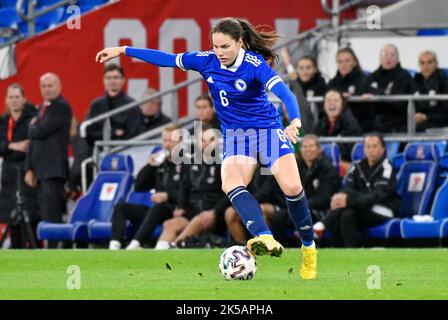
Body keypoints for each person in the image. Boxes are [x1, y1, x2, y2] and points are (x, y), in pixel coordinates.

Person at [96, 17, 318, 279]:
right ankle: (265, 237)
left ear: (239, 42)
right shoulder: (206, 60)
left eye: (225, 47)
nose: (219, 53)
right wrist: (123, 51)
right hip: (237, 136)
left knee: (292, 188)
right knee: (231, 183)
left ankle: (308, 248)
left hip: (268, 131)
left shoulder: (254, 65)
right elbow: (167, 58)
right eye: (215, 46)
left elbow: (286, 95)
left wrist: (294, 121)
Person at [109, 124, 183, 250]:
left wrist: (167, 196)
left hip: (176, 209)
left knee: (158, 209)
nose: (168, 144)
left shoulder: (187, 163)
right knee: (121, 207)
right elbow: (139, 187)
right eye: (165, 140)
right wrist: (149, 166)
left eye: (172, 140)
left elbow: (191, 191)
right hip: (156, 211)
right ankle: (114, 245)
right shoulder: (160, 164)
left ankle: (136, 244)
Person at [323, 133, 400, 247]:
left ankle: (323, 228)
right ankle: (339, 253)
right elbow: (347, 190)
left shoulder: (387, 168)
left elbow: (376, 197)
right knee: (345, 213)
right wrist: (340, 197)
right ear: (364, 149)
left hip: (382, 208)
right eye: (368, 146)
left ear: (382, 149)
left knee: (347, 213)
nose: (371, 150)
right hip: (359, 207)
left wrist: (349, 201)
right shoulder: (356, 166)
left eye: (375, 146)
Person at [158, 125, 227, 248]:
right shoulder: (192, 163)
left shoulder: (224, 165)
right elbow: (185, 187)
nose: (205, 144)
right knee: (170, 224)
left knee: (198, 220)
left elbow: (229, 194)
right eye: (202, 140)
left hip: (215, 213)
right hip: (194, 210)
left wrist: (214, 211)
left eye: (210, 140)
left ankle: (176, 247)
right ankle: (158, 256)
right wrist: (181, 206)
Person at [24, 73, 72, 248]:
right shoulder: (42, 107)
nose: (46, 89)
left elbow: (38, 131)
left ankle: (55, 251)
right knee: (42, 214)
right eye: (43, 86)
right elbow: (33, 140)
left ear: (59, 86)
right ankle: (46, 249)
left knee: (52, 215)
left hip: (53, 171)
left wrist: (33, 126)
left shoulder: (61, 107)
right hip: (40, 171)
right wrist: (28, 167)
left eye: (50, 85)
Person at [0, 83, 38, 248]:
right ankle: (16, 251)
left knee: (30, 214)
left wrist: (7, 147)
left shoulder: (33, 118)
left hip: (27, 170)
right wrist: (11, 146)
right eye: (11, 97)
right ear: (6, 100)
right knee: (11, 216)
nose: (14, 101)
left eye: (17, 97)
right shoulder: (3, 121)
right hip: (8, 172)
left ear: (24, 99)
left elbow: (32, 145)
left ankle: (34, 252)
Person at [85, 64, 141, 149]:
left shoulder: (132, 105)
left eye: (116, 77)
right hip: (99, 154)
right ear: (104, 80)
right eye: (108, 78)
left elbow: (133, 135)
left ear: (123, 80)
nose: (112, 81)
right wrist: (114, 133)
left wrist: (104, 135)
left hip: (125, 153)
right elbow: (89, 133)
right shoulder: (96, 105)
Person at [362, 44, 413, 132]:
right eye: (385, 54)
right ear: (380, 58)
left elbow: (401, 102)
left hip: (397, 123)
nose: (388, 58)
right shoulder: (372, 77)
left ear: (397, 59)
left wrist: (378, 96)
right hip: (373, 124)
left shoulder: (404, 76)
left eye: (392, 55)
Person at [314, 89, 362, 171]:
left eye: (336, 100)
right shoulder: (321, 123)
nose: (332, 103)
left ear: (342, 104)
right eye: (328, 100)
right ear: (324, 105)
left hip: (346, 163)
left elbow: (348, 149)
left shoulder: (350, 122)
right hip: (324, 162)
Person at [328, 48, 370, 131]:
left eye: (347, 61)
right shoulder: (332, 83)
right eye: (340, 61)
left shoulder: (365, 80)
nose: (343, 64)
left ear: (354, 62)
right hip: (337, 126)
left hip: (361, 124)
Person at [412, 50, 448, 132]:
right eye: (422, 63)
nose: (426, 66)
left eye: (429, 62)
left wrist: (426, 116)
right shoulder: (414, 82)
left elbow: (447, 112)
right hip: (416, 123)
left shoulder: (445, 83)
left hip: (440, 124)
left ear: (436, 63)